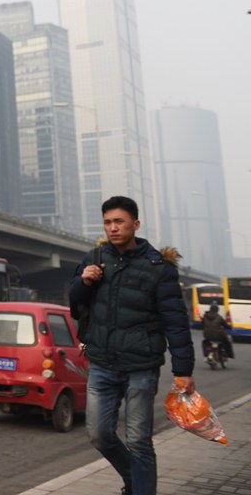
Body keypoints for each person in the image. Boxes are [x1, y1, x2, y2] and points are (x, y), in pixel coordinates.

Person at [69, 195, 195, 495]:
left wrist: (183, 370)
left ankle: (141, 489)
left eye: (119, 222)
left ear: (135, 224)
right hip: (102, 364)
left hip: (141, 367)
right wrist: (82, 282)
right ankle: (134, 479)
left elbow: (175, 322)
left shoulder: (159, 268)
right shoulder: (94, 259)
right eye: (107, 223)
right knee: (98, 435)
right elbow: (75, 305)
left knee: (139, 441)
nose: (113, 228)